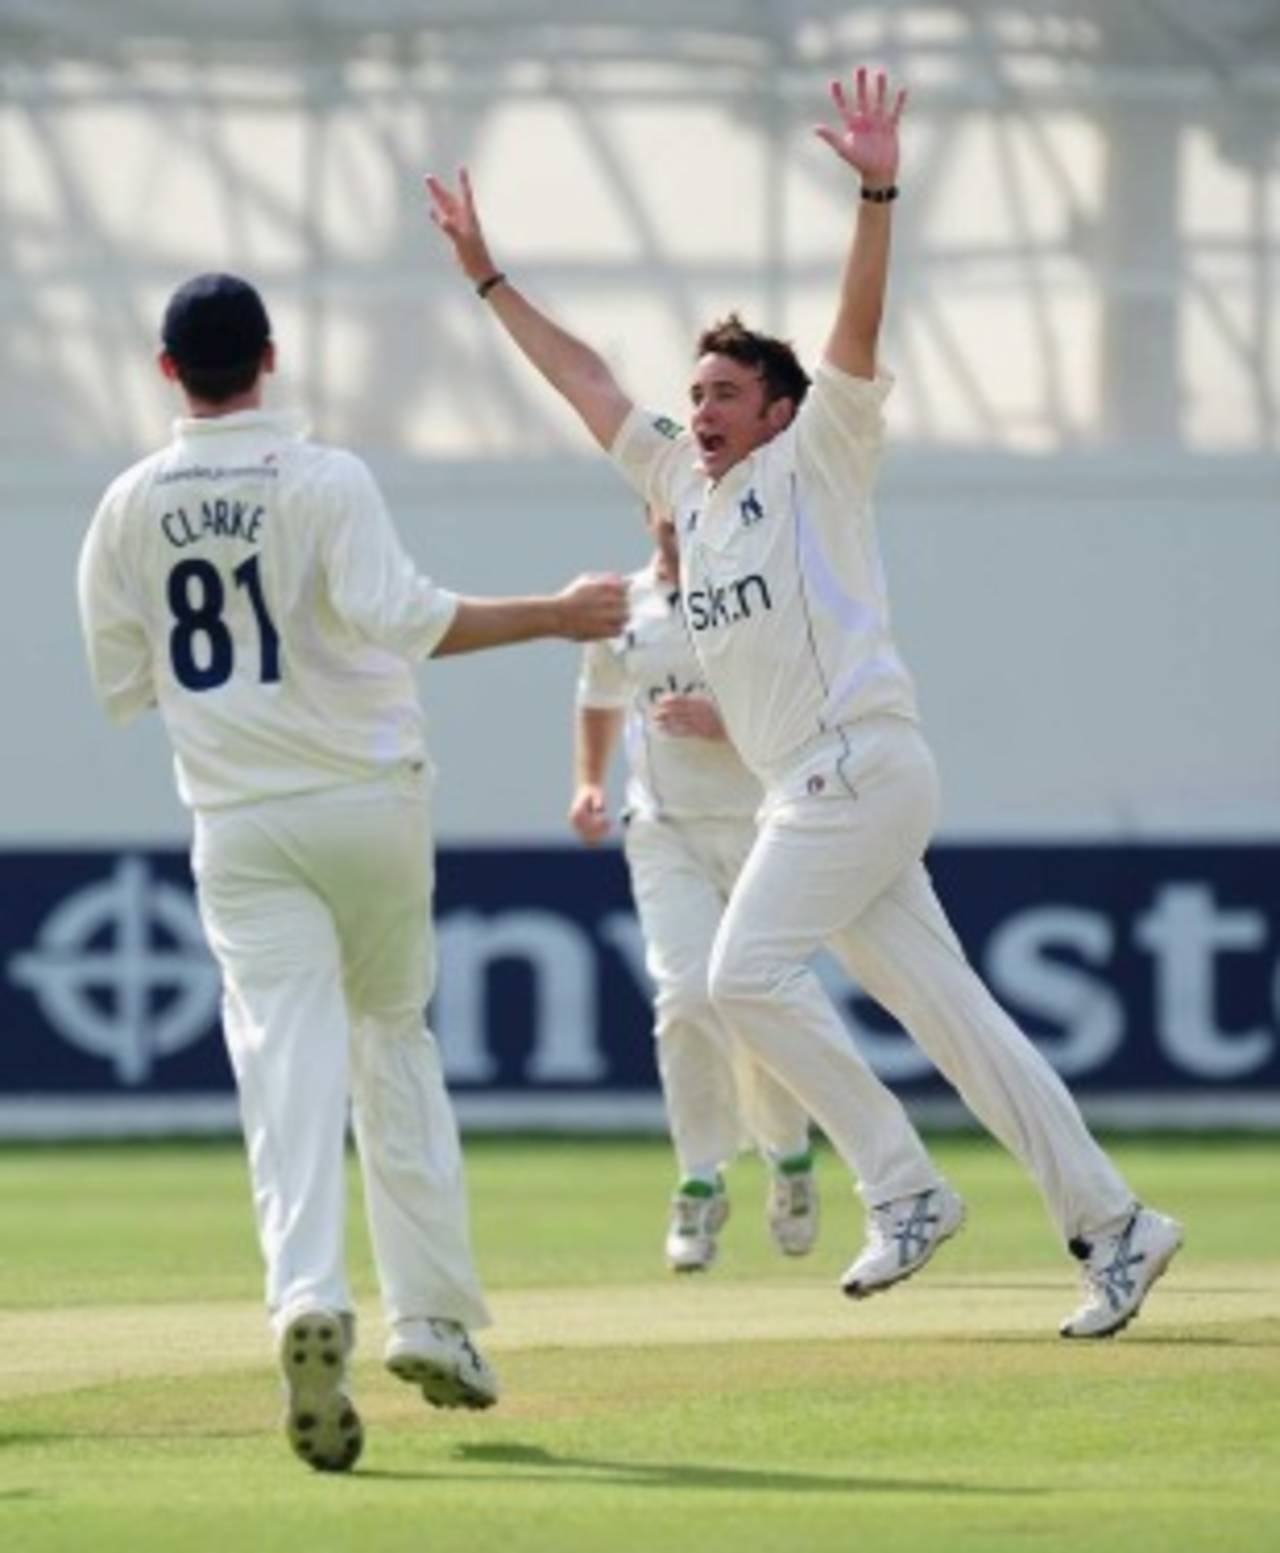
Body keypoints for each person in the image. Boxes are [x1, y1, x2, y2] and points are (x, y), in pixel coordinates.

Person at [424, 67, 1183, 1339]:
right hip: (821, 785)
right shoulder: (683, 485)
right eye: (699, 394)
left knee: (739, 977)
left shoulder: (819, 456)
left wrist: (877, 187)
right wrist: (488, 278)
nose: (701, 410)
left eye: (724, 394)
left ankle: (902, 1189)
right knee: (960, 1026)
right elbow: (590, 379)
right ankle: (1115, 1226)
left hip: (856, 765)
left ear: (774, 411)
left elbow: (856, 325)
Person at [76, 271, 627, 1472]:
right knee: (393, 1039)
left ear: (168, 369)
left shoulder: (126, 503)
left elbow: (124, 677)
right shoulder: (325, 478)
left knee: (282, 1058)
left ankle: (305, 1297)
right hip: (368, 802)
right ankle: (429, 1317)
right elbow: (408, 617)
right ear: (269, 358)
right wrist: (555, 611)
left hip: (237, 820)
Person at [571, 504, 818, 1273]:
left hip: (760, 825)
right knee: (684, 996)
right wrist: (587, 782)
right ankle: (701, 1180)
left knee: (757, 997)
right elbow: (599, 694)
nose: (682, 528)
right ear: (650, 514)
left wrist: (725, 724)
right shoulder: (626, 604)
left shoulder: (759, 595)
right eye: (669, 515)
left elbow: (808, 715)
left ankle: (789, 1157)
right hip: (665, 828)